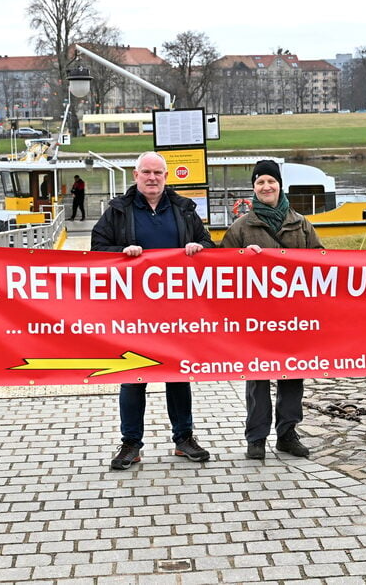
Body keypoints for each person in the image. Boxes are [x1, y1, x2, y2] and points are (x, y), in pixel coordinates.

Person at [91, 151, 216, 470]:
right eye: (146, 172)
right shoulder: (118, 211)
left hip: (176, 311)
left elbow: (211, 247)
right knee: (133, 376)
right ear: (135, 175)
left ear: (166, 176)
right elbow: (96, 250)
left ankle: (184, 438)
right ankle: (131, 443)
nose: (152, 178)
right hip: (133, 311)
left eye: (158, 173)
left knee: (178, 374)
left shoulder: (184, 209)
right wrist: (121, 252)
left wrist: (198, 248)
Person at [221, 159, 324, 460]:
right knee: (257, 379)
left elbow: (322, 263)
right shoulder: (241, 227)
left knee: (292, 376)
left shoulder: (301, 224)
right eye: (260, 182)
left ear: (280, 185)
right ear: (254, 188)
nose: (266, 187)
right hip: (256, 319)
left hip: (294, 317)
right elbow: (221, 271)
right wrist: (242, 258)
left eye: (271, 181)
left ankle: (287, 433)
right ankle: (256, 437)